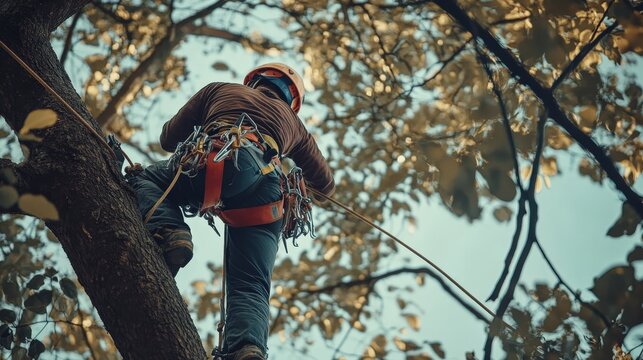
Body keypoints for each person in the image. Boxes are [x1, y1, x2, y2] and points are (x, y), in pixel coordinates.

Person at [127, 63, 335, 360]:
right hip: (269, 195)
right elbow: (326, 186)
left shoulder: (220, 90)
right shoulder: (295, 125)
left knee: (143, 178)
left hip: (219, 155)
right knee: (252, 283)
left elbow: (167, 139)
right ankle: (246, 348)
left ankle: (171, 232)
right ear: (291, 101)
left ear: (254, 82)